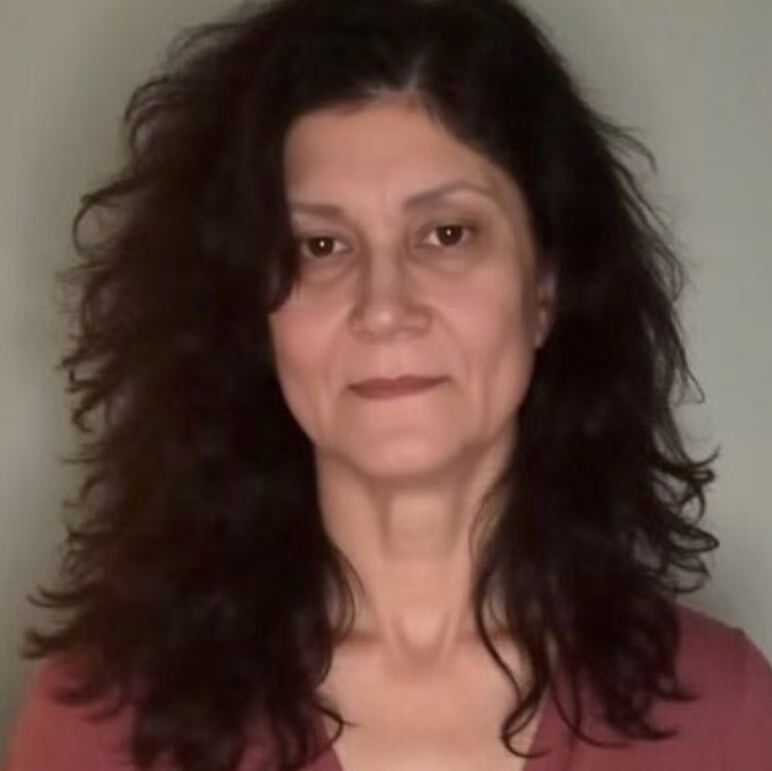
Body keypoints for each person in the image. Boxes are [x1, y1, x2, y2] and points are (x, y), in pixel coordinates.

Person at [4, 0, 772, 769]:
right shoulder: (102, 722)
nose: (383, 307)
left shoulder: (722, 712)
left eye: (446, 234)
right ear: (254, 314)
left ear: (544, 288)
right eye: (321, 245)